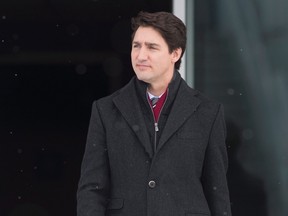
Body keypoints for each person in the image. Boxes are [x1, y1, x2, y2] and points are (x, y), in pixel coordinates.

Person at [77, 11, 231, 216]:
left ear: (175, 54)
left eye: (152, 47)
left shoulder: (208, 112)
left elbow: (217, 192)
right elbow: (92, 190)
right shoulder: (105, 110)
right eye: (136, 46)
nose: (140, 55)